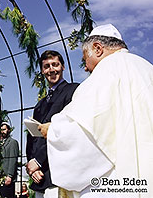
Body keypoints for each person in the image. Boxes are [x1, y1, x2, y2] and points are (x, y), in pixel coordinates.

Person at [40, 24, 153, 198]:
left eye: (85, 58)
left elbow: (82, 134)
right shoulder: (147, 68)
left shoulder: (104, 73)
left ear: (98, 48)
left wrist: (53, 131)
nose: (85, 67)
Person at [25, 50, 79, 198]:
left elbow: (67, 132)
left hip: (59, 176)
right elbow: (32, 138)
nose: (51, 70)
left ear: (63, 67)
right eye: (47, 66)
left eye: (55, 65)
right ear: (42, 71)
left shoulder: (73, 91)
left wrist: (38, 161)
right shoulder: (40, 104)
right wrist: (31, 165)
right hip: (39, 177)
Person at [0, 122, 20, 198]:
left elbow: (13, 159)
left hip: (8, 178)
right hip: (0, 178)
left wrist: (10, 176)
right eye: (1, 130)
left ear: (9, 130)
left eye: (4, 129)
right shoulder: (0, 144)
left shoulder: (13, 142)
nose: (2, 132)